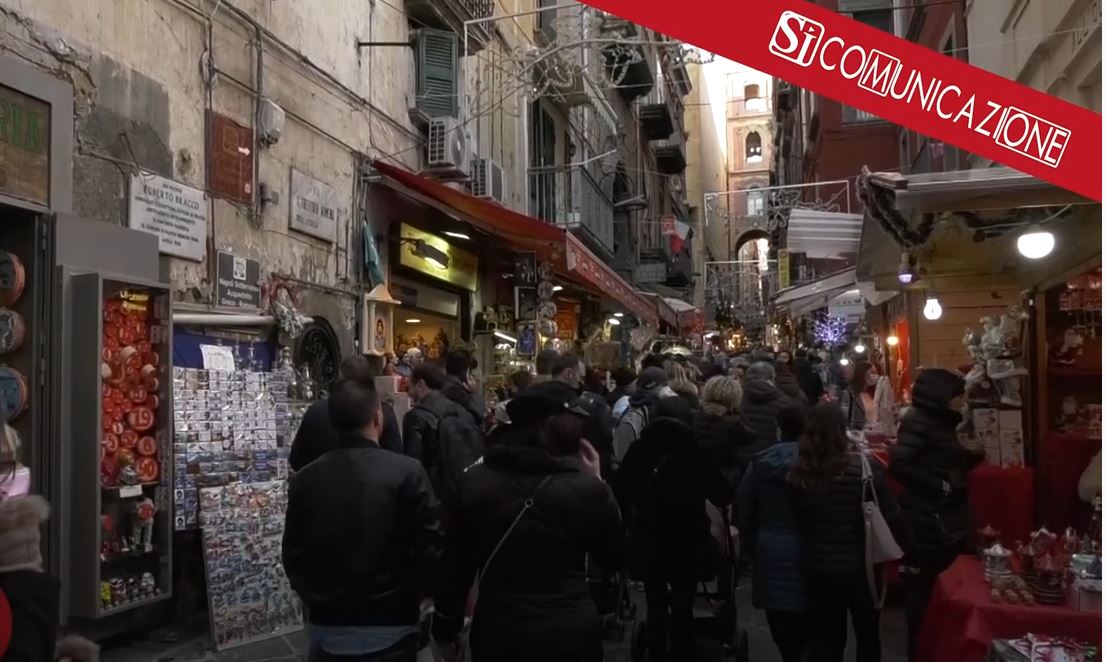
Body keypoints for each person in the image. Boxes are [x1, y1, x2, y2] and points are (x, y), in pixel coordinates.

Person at [431, 387, 627, 662]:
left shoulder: (474, 482)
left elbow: (454, 568)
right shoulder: (587, 489)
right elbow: (615, 555)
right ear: (552, 427)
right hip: (570, 631)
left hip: (498, 631)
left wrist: (445, 627)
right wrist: (598, 482)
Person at [283, 378, 443, 662]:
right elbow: (431, 545)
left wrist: (314, 597)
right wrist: (419, 595)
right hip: (393, 621)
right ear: (377, 418)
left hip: (327, 622)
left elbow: (293, 555)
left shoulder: (305, 480)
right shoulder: (407, 472)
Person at [788, 402, 909, 662]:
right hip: (861, 566)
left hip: (818, 565)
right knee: (867, 632)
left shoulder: (800, 471)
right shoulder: (864, 468)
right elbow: (891, 513)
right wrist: (911, 547)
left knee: (827, 635)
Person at [614, 397, 732, 662]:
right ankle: (681, 649)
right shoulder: (697, 453)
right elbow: (722, 494)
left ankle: (656, 650)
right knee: (683, 599)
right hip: (688, 539)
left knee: (655, 602)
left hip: (649, 537)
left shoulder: (639, 450)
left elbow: (621, 490)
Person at [889, 368, 982, 662]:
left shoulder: (940, 423)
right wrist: (941, 485)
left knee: (935, 588)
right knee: (924, 590)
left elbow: (940, 458)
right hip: (927, 518)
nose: (961, 401)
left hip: (941, 516)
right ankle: (921, 652)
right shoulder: (919, 421)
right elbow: (901, 463)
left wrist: (972, 456)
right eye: (957, 395)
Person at [738, 405, 810, 662]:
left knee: (781, 625)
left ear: (779, 430)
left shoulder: (760, 464)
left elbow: (745, 510)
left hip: (771, 549)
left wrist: (748, 549)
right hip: (811, 552)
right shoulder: (817, 464)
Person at [289, 355, 402, 471]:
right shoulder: (383, 412)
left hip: (321, 484)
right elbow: (397, 459)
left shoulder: (316, 411)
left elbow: (296, 461)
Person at [403, 364, 485, 514]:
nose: (408, 393)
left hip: (434, 498)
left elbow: (414, 466)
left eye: (410, 386)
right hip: (463, 493)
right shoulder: (461, 411)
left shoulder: (415, 417)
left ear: (421, 385)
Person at [693, 376, 757, 484]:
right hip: (723, 478)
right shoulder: (735, 424)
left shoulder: (693, 417)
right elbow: (749, 438)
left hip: (695, 476)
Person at [612, 367, 674, 466]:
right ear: (652, 387)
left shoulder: (662, 410)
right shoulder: (633, 418)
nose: (668, 390)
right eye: (664, 385)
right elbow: (622, 456)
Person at [741, 361, 791, 449]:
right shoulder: (784, 401)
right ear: (772, 377)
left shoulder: (736, 397)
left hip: (742, 453)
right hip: (771, 455)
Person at [840, 361, 878, 431]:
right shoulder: (848, 393)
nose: (875, 375)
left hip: (871, 435)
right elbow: (843, 419)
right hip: (855, 436)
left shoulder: (871, 393)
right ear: (863, 374)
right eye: (872, 372)